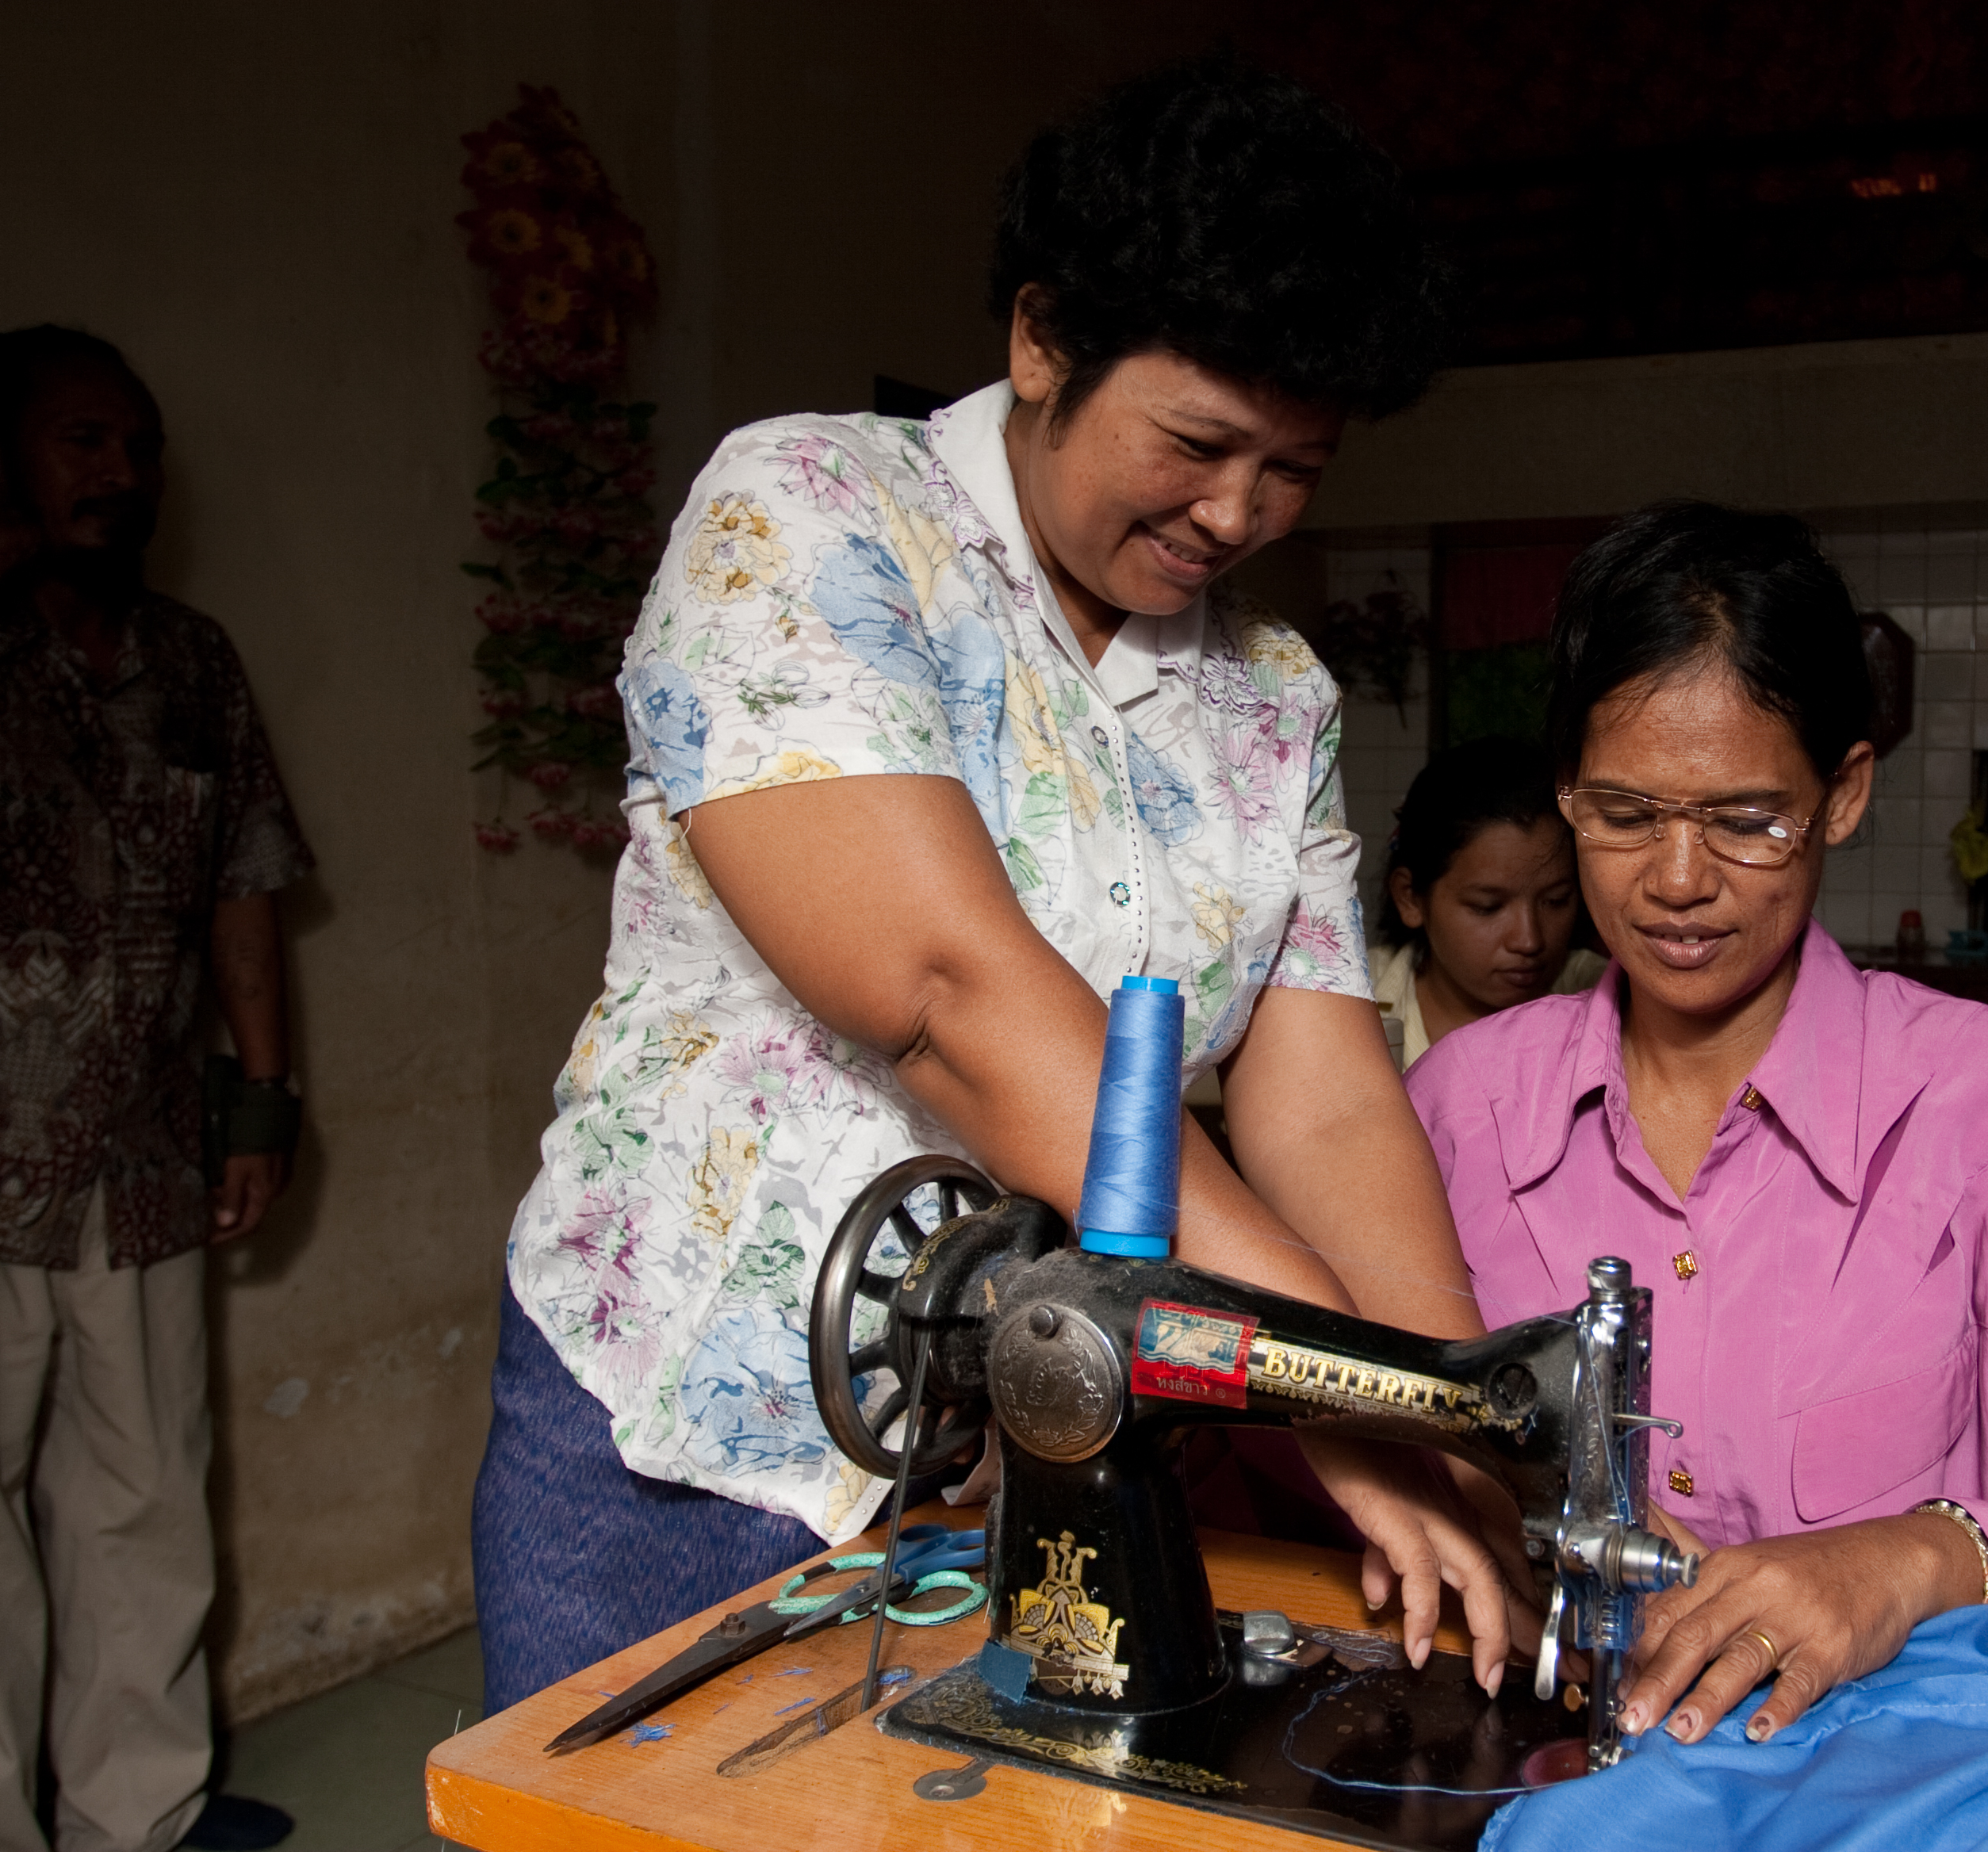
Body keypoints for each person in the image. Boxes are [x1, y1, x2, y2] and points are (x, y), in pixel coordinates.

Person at [474, 56, 1534, 1716]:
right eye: (1197, 442)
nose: (1237, 513)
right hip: (694, 1429)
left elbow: (1327, 1107)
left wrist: (1453, 1434)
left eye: (1296, 468)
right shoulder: (812, 516)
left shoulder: (1273, 693)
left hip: (1027, 1446)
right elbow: (945, 998)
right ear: (1042, 340)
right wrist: (1329, 1392)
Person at [1407, 501, 1988, 1751]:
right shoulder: (1457, 1107)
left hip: (1885, 1784)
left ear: (1843, 795)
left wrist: (1912, 1562)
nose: (1679, 880)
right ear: (1567, 793)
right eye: (1626, 815)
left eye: (1748, 820)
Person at [0, 327, 309, 1852]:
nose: (122, 474)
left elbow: (244, 883)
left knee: (145, 1501)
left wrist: (261, 1104)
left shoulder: (188, 662)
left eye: (139, 447)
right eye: (82, 442)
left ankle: (140, 1819)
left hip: (142, 1155)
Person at [1371, 735, 1604, 1068]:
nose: (1528, 940)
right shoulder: (1348, 1002)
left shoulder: (1608, 996)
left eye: (1556, 901)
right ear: (1410, 898)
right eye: (1487, 907)